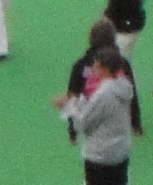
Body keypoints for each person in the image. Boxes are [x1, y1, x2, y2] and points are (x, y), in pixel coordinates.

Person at [56, 40, 141, 182]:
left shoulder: (104, 94)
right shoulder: (124, 85)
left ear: (105, 69)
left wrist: (70, 107)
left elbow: (83, 123)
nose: (94, 68)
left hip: (101, 155)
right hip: (120, 151)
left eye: (97, 65)